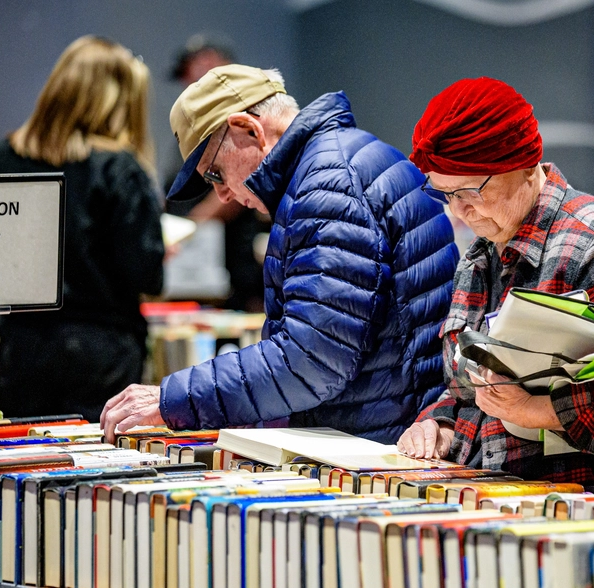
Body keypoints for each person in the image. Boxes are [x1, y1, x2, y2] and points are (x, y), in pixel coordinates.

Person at [100, 65, 458, 444]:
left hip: (383, 443)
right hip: (390, 426)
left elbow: (311, 360)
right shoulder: (335, 165)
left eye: (216, 173)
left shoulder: (328, 185)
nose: (221, 194)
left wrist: (175, 398)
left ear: (248, 129)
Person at [395, 77, 594, 492]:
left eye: (470, 191)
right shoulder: (482, 252)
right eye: (445, 194)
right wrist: (439, 426)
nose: (459, 212)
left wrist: (540, 410)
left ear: (525, 167)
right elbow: (472, 392)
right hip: (508, 498)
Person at [0, 36, 165, 424]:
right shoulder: (119, 169)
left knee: (20, 454)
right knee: (99, 459)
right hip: (101, 351)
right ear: (115, 100)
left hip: (20, 347)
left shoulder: (1, 157)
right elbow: (146, 274)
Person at [165, 34, 267, 311]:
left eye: (191, 74)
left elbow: (243, 181)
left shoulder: (239, 117)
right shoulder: (196, 126)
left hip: (231, 270)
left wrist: (191, 228)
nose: (187, 86)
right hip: (197, 269)